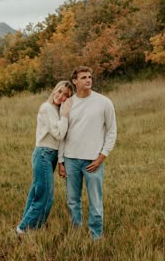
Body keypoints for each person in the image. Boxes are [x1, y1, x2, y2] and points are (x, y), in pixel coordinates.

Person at [58, 66, 117, 240]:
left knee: (95, 202)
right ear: (75, 81)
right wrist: (61, 161)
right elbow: (62, 133)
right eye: (83, 77)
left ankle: (96, 236)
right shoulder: (68, 103)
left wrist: (102, 157)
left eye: (90, 77)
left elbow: (112, 130)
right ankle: (76, 231)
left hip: (93, 160)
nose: (88, 80)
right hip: (71, 159)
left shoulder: (104, 102)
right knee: (72, 200)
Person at [16, 80, 74, 235]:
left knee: (36, 192)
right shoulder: (47, 108)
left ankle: (30, 226)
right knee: (46, 195)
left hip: (49, 156)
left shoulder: (56, 111)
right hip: (43, 155)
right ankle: (22, 229)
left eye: (66, 95)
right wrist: (66, 115)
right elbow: (59, 134)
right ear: (54, 90)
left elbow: (61, 138)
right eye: (60, 92)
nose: (61, 96)